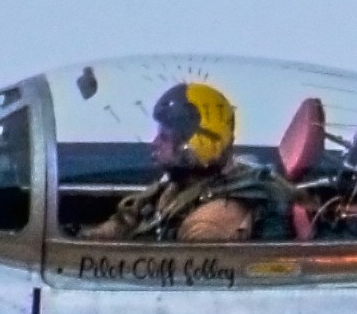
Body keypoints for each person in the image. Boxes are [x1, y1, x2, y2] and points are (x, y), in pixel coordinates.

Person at [96, 80, 270, 242]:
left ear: (195, 144)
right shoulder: (174, 190)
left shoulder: (207, 226)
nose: (155, 143)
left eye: (164, 137)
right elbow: (122, 225)